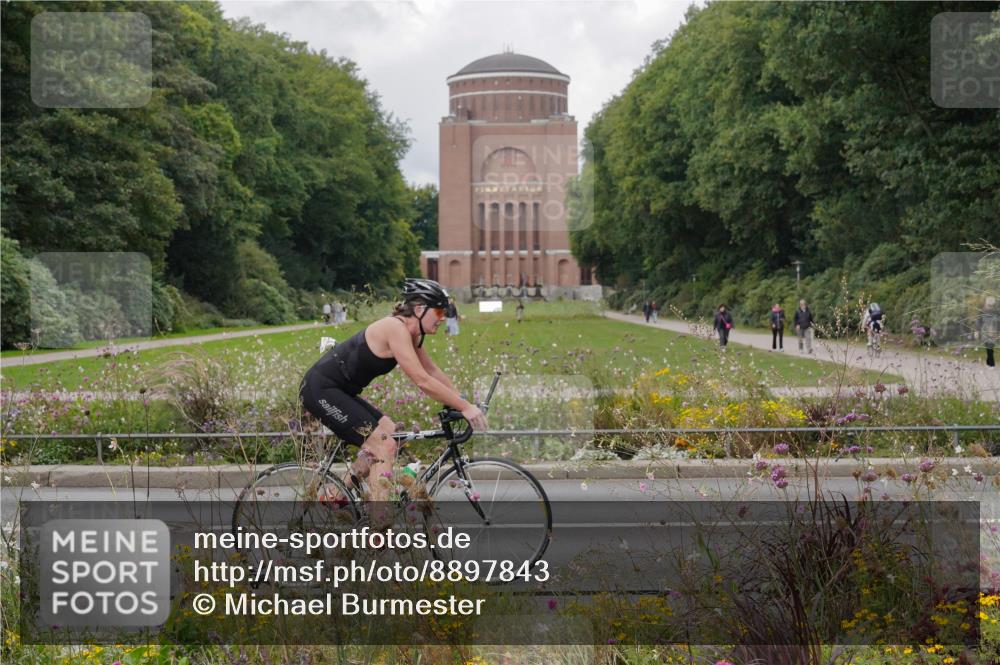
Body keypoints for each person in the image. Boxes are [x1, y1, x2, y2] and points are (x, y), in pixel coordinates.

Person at [299, 278, 488, 510]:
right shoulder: (395, 328)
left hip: (340, 390)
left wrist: (462, 401)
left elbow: (432, 370)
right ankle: (380, 528)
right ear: (419, 309)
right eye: (439, 310)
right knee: (384, 446)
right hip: (320, 389)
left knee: (390, 432)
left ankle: (338, 494)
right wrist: (464, 407)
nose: (443, 317)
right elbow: (422, 380)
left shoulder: (413, 333)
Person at [978, 296, 998, 367]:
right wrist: (977, 331)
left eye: (991, 305)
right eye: (989, 305)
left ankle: (991, 363)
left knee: (990, 346)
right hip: (985, 332)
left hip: (993, 332)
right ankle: (989, 361)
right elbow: (979, 321)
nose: (990, 307)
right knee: (988, 347)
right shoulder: (981, 311)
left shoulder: (996, 313)